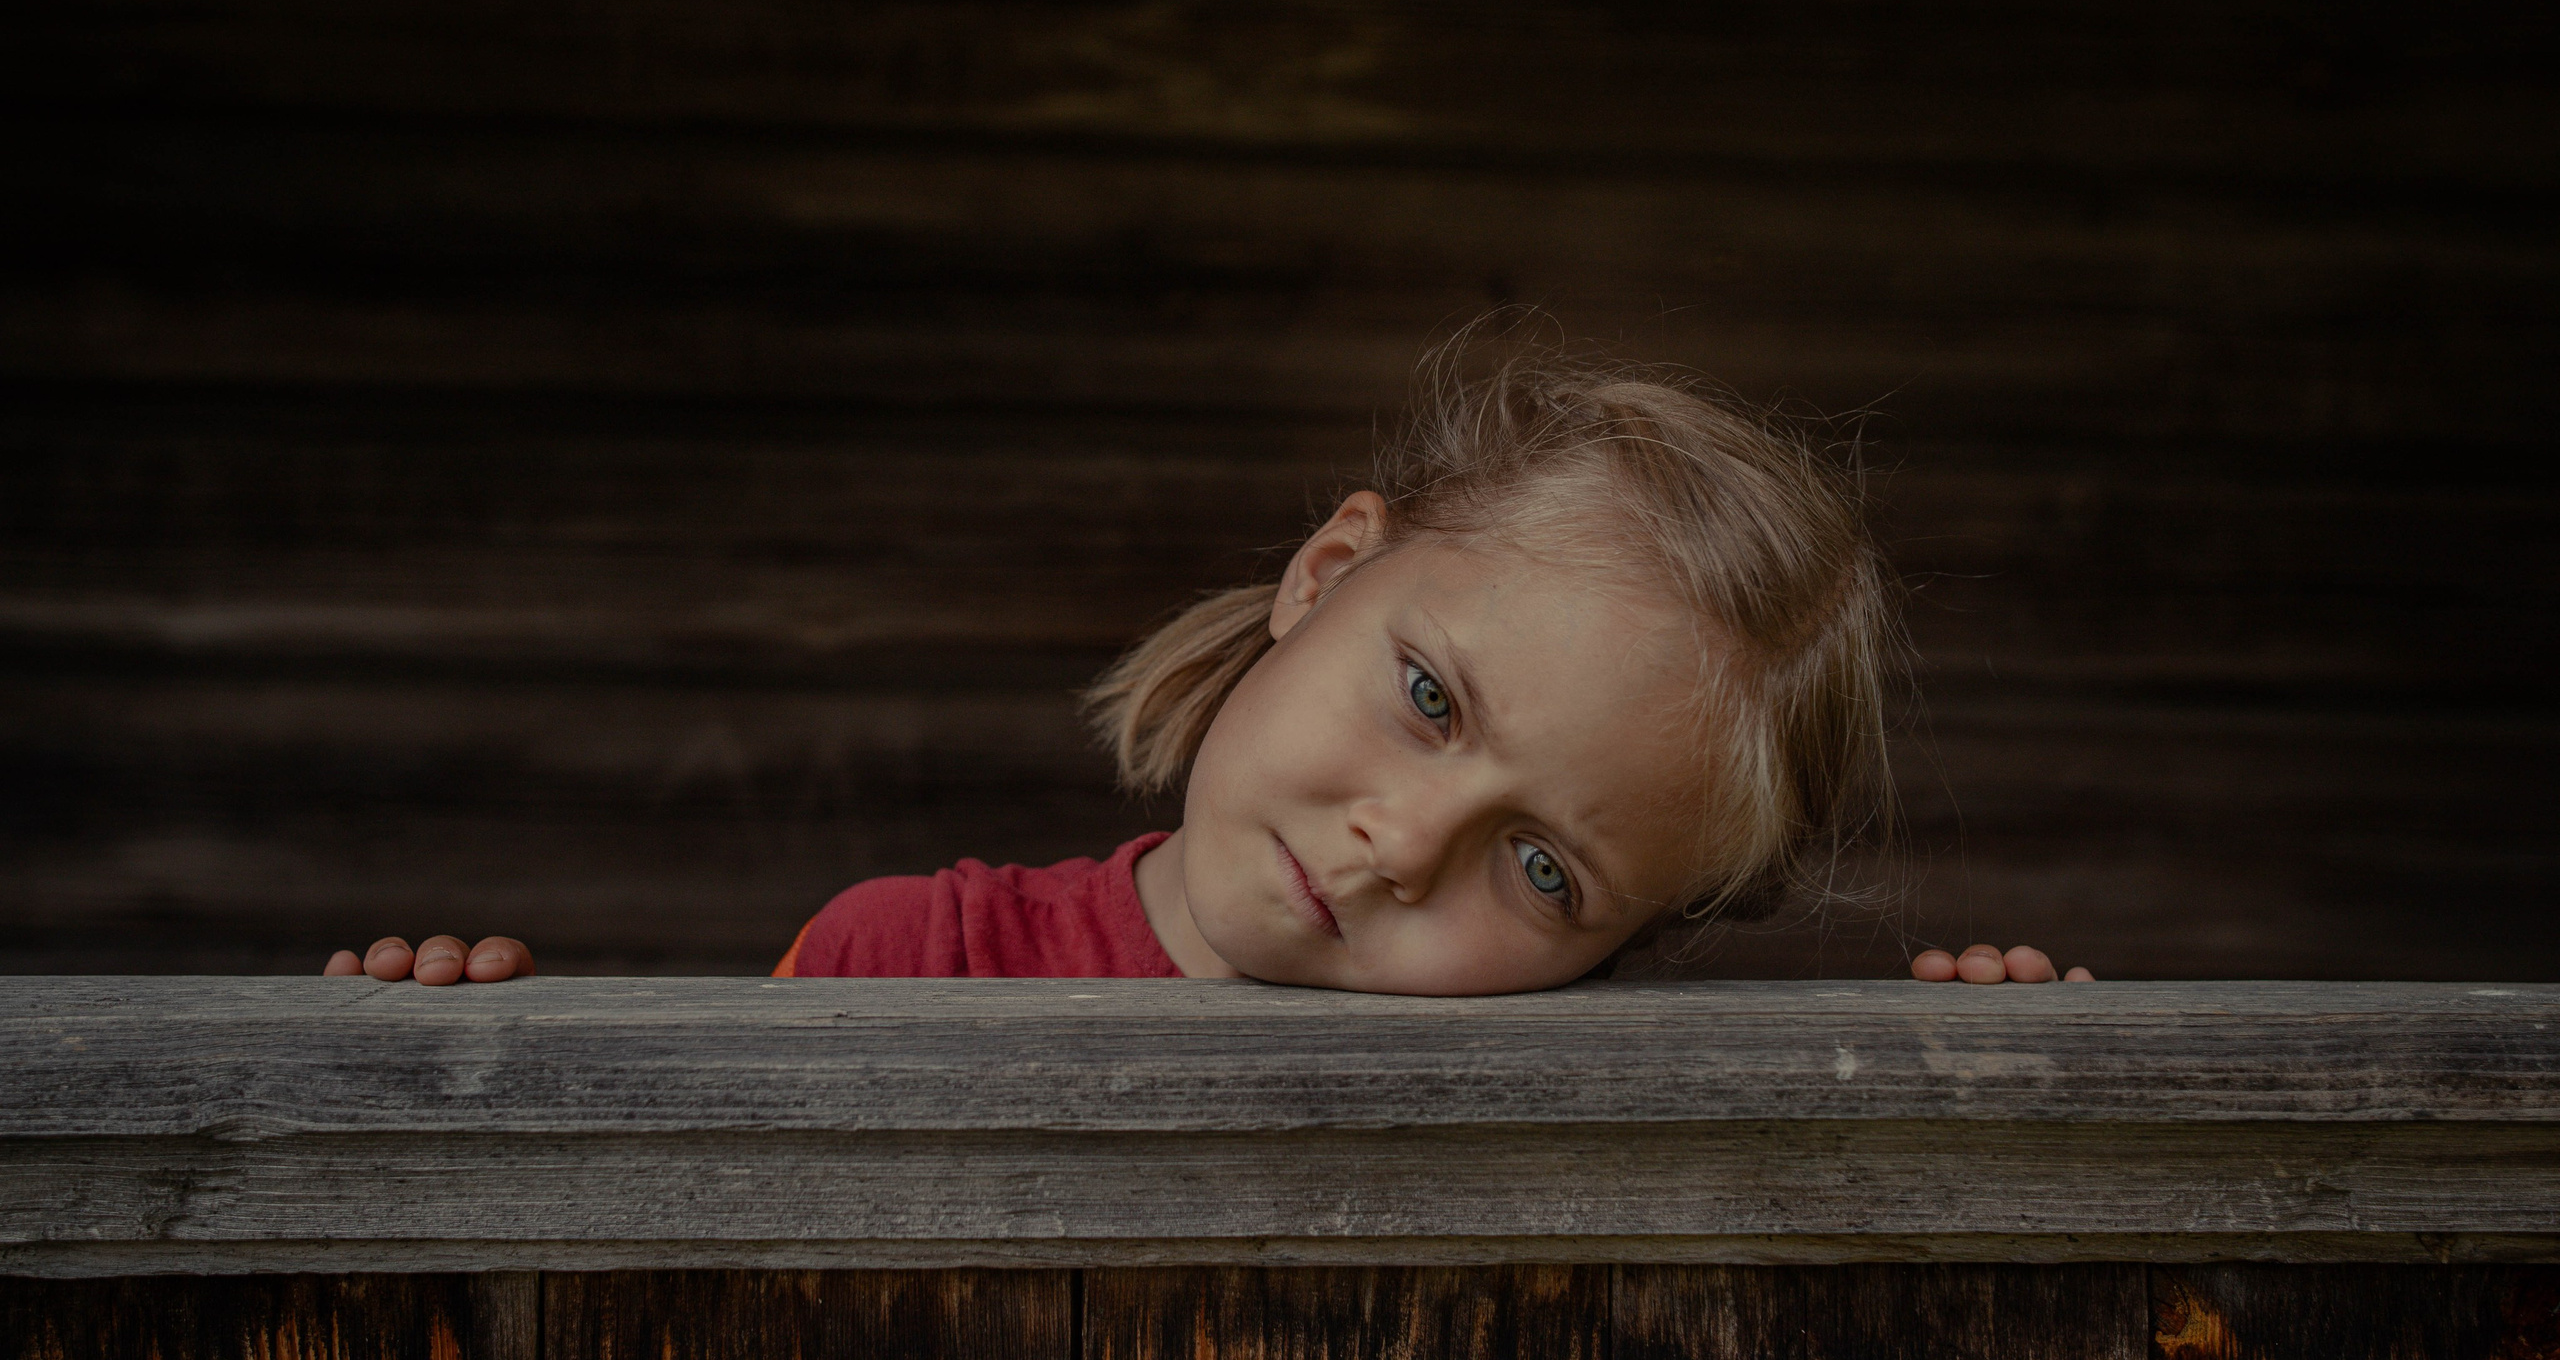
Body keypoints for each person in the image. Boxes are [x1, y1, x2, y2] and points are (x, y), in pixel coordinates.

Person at [328, 335, 2089, 992]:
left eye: (1548, 870)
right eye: (1430, 701)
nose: (1403, 846)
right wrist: (446, 1065)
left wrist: (2001, 1085)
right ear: (1326, 573)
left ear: (1628, 951)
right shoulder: (899, 963)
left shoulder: (1588, 1090)